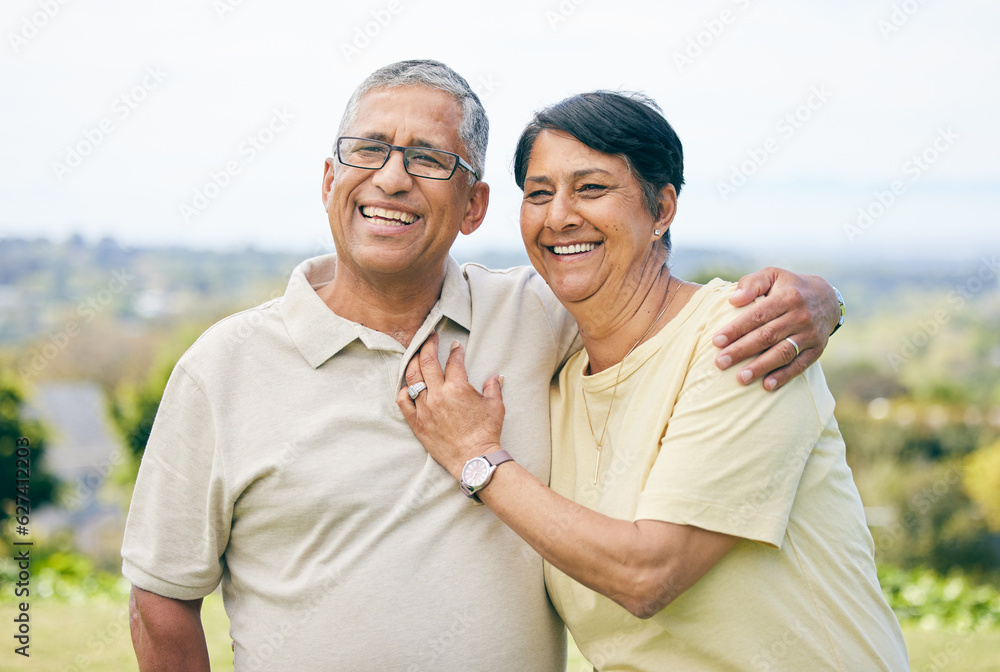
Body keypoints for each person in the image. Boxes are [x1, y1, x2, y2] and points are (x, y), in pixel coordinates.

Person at [122, 61, 842, 671]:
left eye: (429, 159)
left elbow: (653, 304)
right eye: (368, 150)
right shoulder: (224, 366)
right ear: (328, 180)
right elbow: (160, 598)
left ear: (473, 207)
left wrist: (817, 301)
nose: (393, 178)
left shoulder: (543, 315)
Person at [398, 90, 908, 670]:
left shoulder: (740, 340)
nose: (558, 215)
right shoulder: (555, 382)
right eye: (538, 193)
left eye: (590, 188)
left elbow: (649, 574)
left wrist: (477, 457)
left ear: (662, 209)